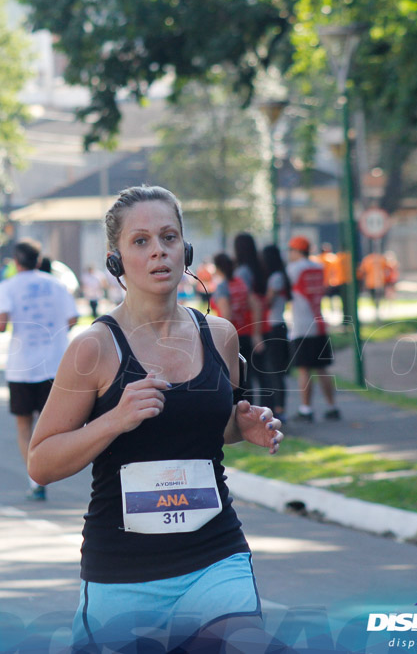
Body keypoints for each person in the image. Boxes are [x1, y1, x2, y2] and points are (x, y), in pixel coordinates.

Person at [27, 187, 283, 652]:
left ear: (185, 250)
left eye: (168, 237)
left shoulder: (220, 336)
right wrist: (114, 420)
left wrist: (240, 427)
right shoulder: (94, 348)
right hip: (124, 573)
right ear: (116, 261)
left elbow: (210, 429)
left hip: (215, 557)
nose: (158, 250)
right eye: (140, 241)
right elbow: (41, 462)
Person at [0, 238, 78, 501]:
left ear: (15, 263)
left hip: (21, 366)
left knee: (24, 426)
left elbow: (0, 325)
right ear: (40, 261)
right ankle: (48, 469)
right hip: (55, 364)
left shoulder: (7, 286)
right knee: (50, 425)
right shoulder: (57, 284)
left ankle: (35, 479)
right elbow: (73, 318)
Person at [286, 236, 340, 422]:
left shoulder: (293, 269)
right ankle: (332, 406)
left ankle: (306, 409)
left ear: (296, 251)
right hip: (319, 323)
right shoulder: (318, 267)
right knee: (322, 368)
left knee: (304, 369)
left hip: (302, 325)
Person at [259, 245, 291, 422]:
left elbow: (268, 302)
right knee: (272, 369)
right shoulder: (276, 276)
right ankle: (278, 407)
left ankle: (280, 408)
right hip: (274, 325)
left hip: (275, 325)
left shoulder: (276, 277)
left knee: (275, 370)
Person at [232, 233, 266, 403]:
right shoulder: (260, 267)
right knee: (264, 373)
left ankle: (249, 409)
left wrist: (255, 333)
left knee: (246, 373)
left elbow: (250, 301)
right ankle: (273, 408)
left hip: (249, 327)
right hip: (265, 323)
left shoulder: (242, 272)